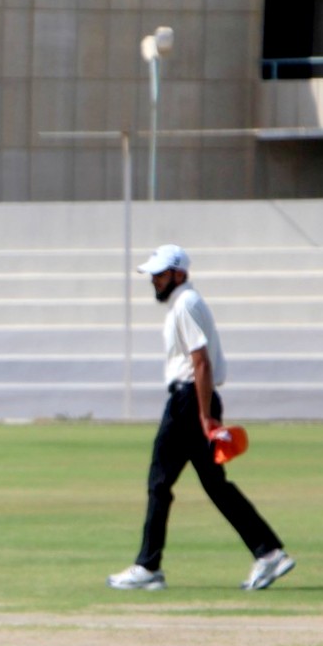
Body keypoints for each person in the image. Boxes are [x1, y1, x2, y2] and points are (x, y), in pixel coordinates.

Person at [107, 244, 295, 591]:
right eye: (153, 274)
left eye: (160, 274)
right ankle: (268, 552)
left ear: (178, 274)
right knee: (211, 485)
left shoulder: (186, 304)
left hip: (189, 401)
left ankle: (148, 567)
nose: (154, 280)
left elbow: (202, 362)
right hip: (192, 400)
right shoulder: (185, 302)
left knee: (160, 482)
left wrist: (205, 416)